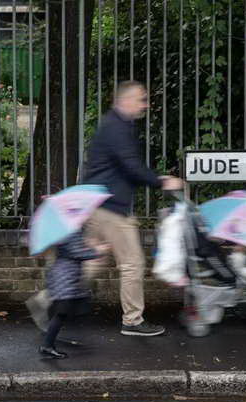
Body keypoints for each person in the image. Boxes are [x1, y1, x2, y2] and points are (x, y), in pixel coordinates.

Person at [83, 80, 183, 336]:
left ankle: (51, 302)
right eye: (141, 99)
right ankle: (133, 321)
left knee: (91, 260)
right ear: (125, 100)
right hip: (113, 207)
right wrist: (162, 181)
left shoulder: (114, 125)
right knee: (132, 263)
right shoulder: (117, 128)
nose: (145, 105)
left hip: (99, 203)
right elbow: (131, 166)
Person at [39, 230, 109, 359]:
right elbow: (76, 251)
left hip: (69, 276)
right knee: (61, 313)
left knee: (74, 308)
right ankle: (47, 345)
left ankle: (53, 339)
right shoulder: (69, 230)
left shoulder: (69, 228)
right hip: (64, 277)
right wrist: (97, 251)